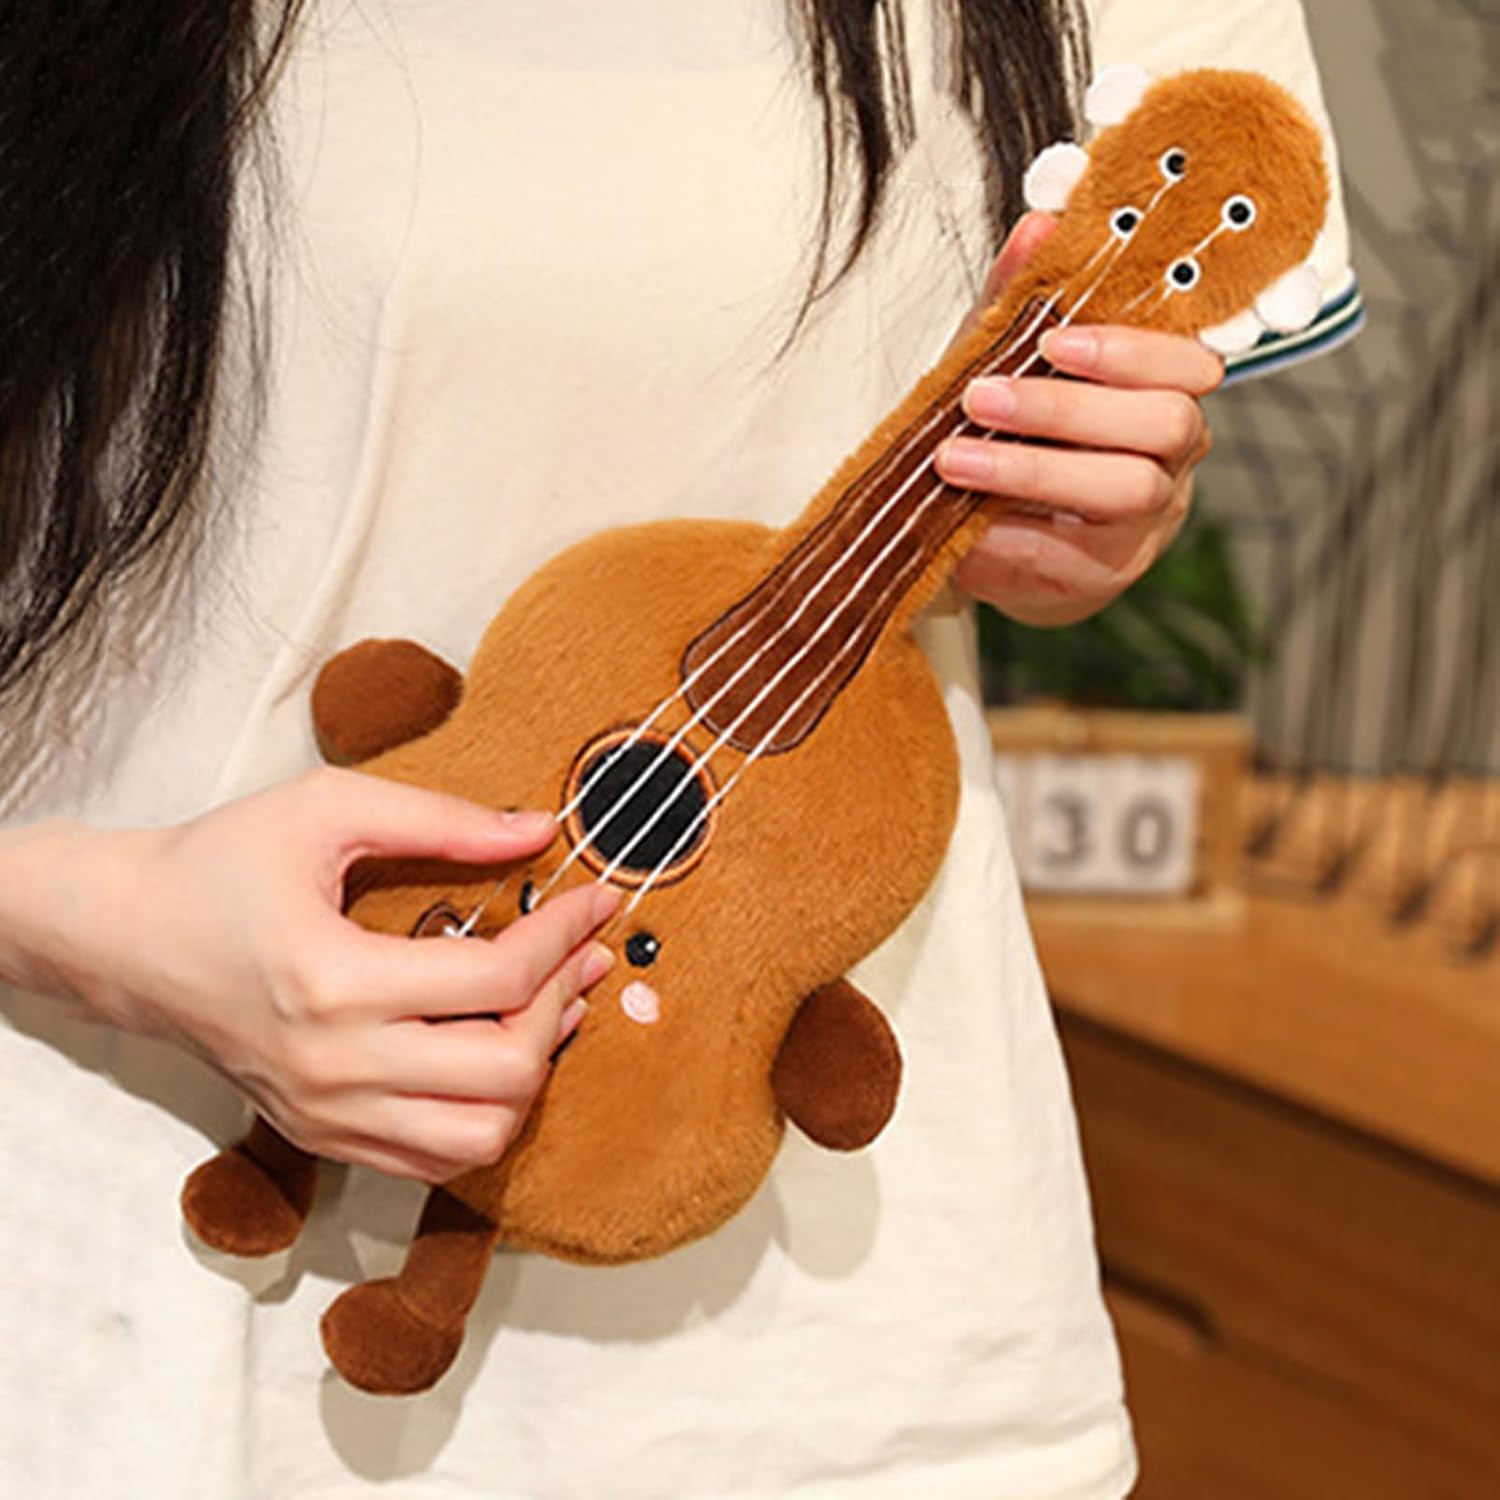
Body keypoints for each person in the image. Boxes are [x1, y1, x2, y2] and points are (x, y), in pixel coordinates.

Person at [0, 1, 1355, 1495]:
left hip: (844, 1342)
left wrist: (1090, 518)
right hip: (125, 1277)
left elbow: (1022, 478)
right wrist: (95, 923)